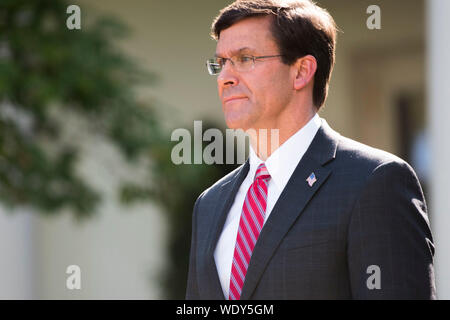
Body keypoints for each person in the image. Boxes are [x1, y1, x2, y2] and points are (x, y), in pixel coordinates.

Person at [186, 0, 435, 300]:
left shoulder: (375, 182)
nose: (225, 77)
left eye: (245, 59)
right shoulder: (209, 204)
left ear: (302, 71)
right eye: (221, 62)